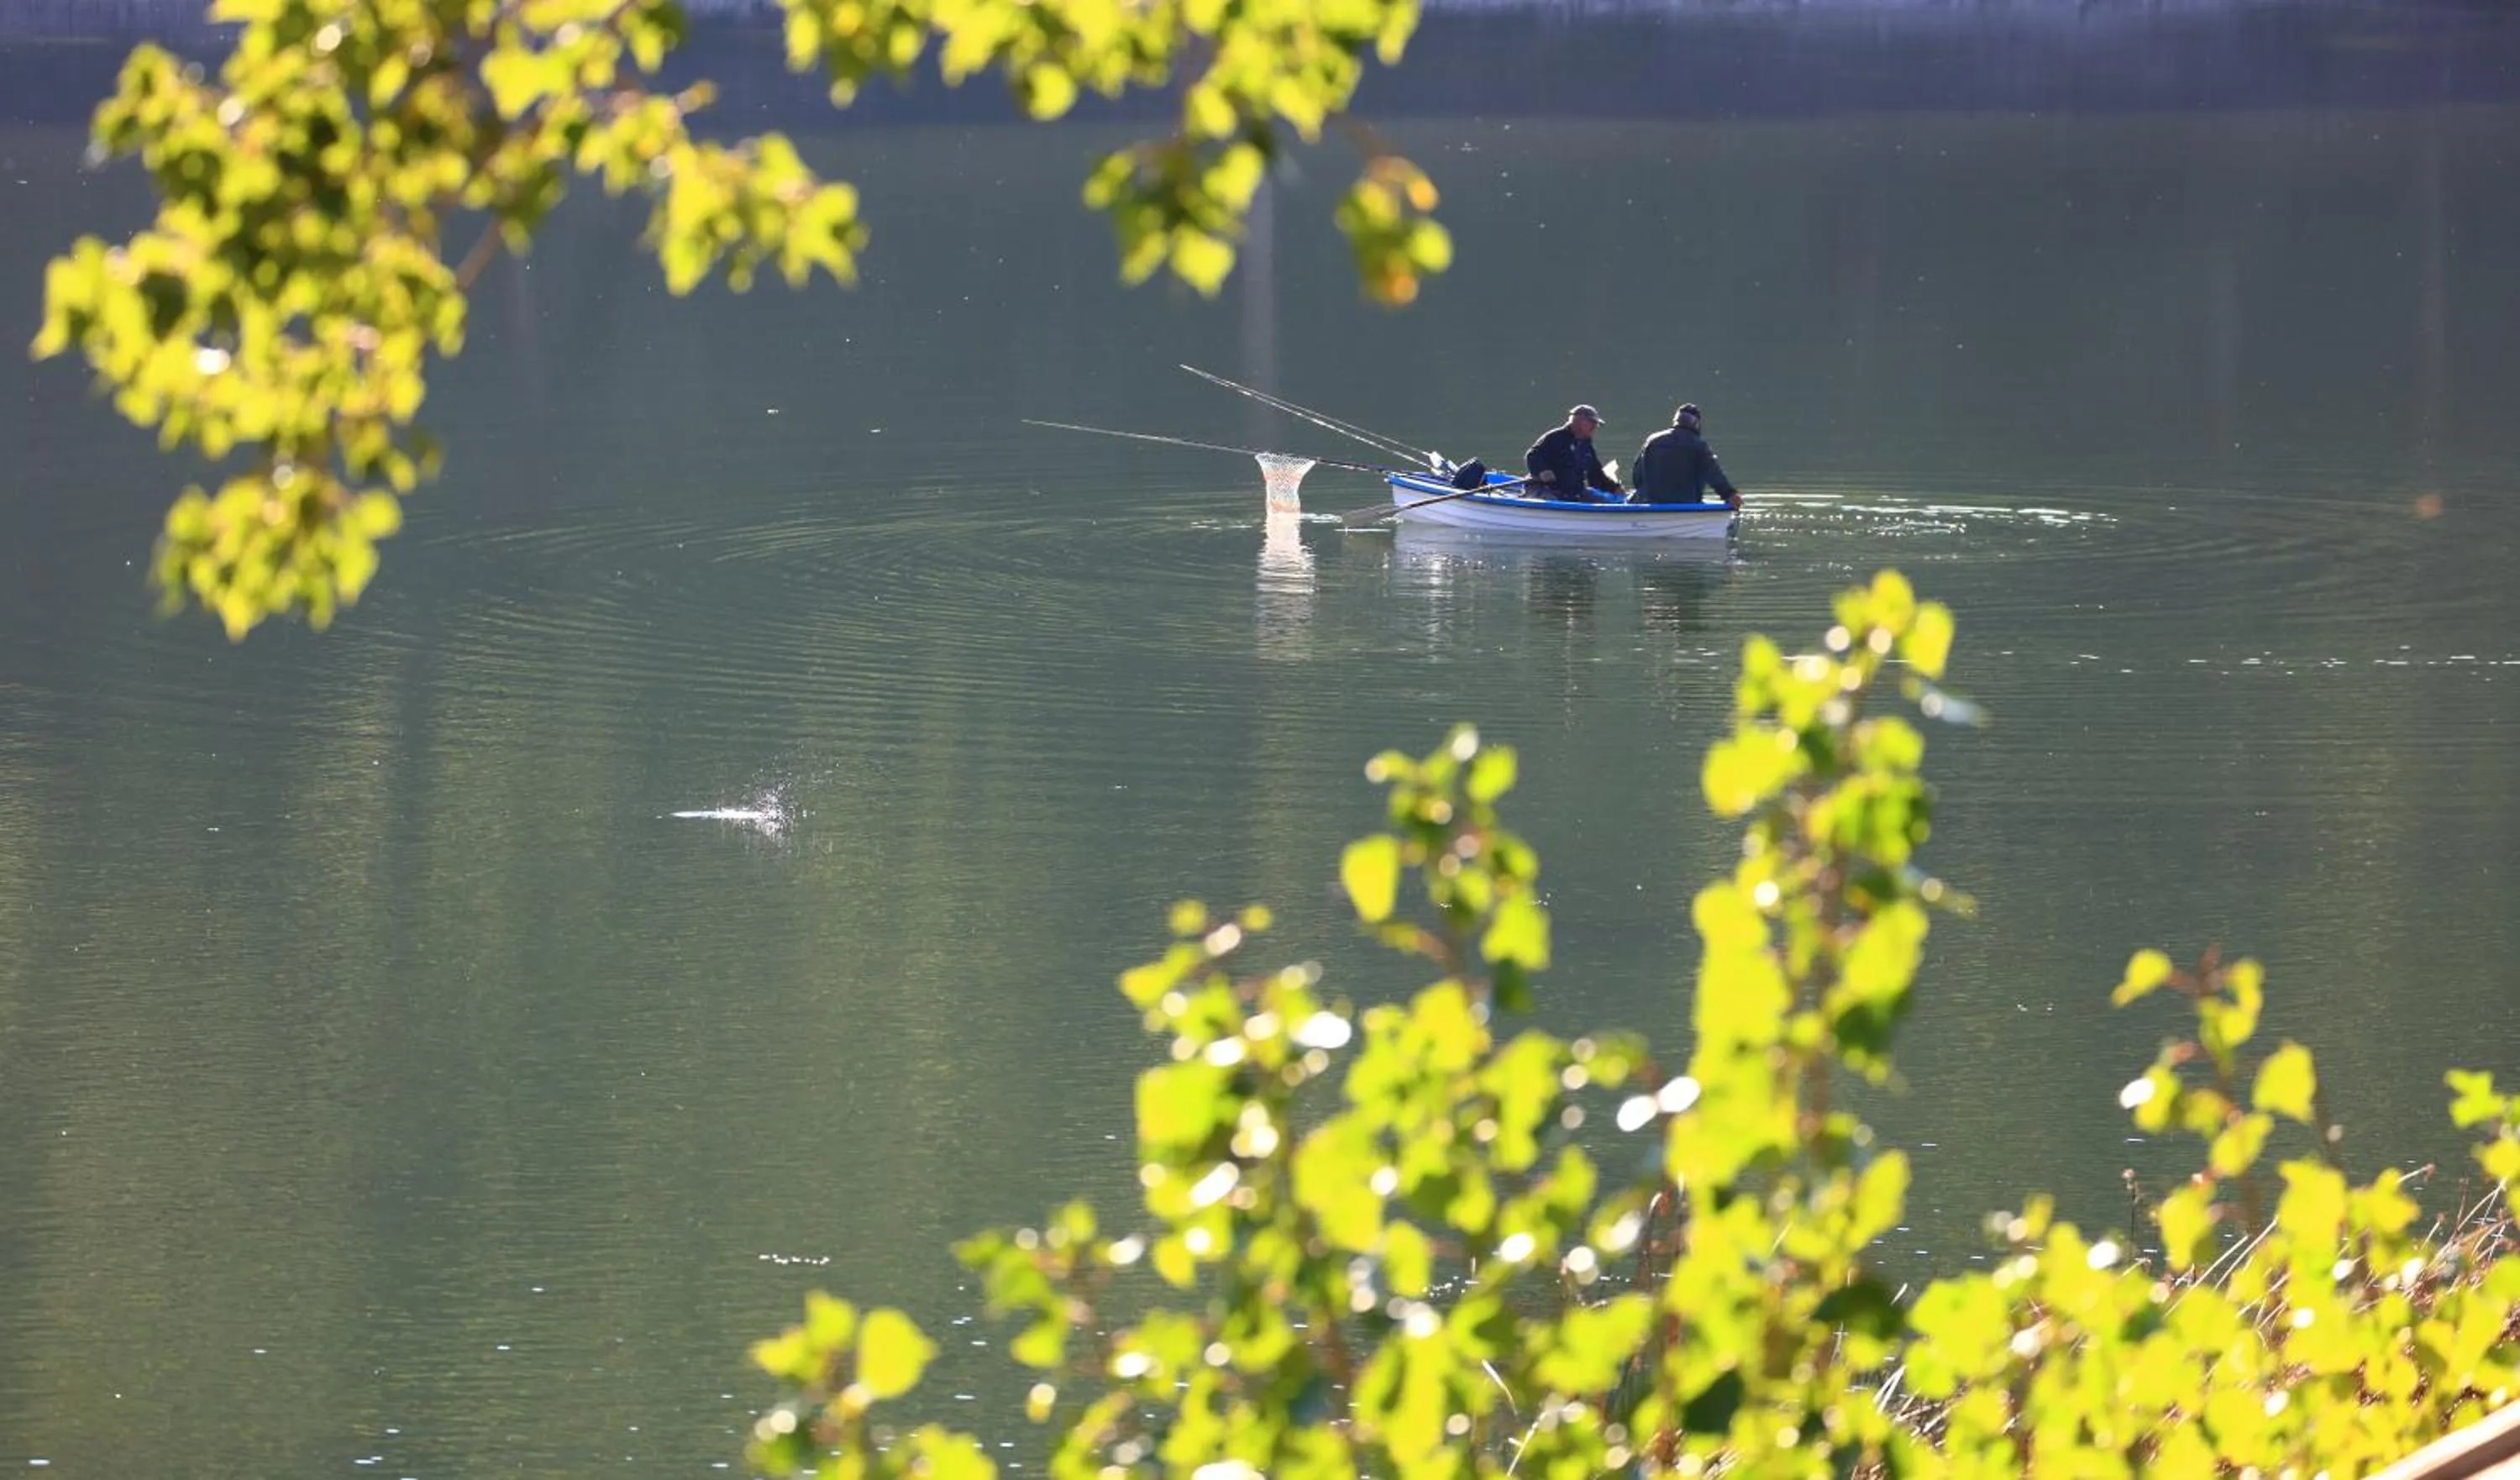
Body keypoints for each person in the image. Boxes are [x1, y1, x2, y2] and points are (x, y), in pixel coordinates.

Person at [1630, 403, 1740, 509]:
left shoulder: (1652, 441)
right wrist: (1729, 494)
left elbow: (1637, 477)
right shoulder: (1698, 445)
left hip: (1651, 503)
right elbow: (1714, 474)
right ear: (1697, 424)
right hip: (1688, 505)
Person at [1525, 404, 1623, 502]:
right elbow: (1532, 455)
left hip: (1574, 492)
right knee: (1552, 501)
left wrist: (1614, 488)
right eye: (1592, 423)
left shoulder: (1586, 445)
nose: (1595, 427)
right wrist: (1542, 471)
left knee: (1603, 501)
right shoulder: (1555, 437)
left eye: (1596, 424)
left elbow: (1596, 475)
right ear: (1578, 421)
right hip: (1545, 489)